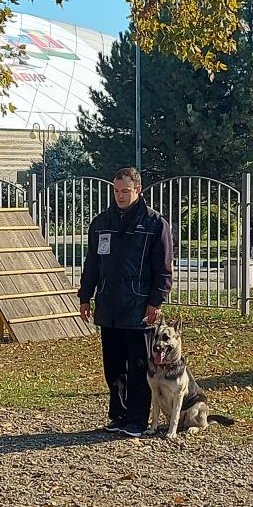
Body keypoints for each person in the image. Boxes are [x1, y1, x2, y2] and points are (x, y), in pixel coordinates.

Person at [78, 168, 174, 438]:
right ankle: (118, 415)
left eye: (125, 190)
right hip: (109, 305)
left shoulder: (155, 223)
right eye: (116, 190)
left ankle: (136, 419)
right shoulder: (101, 223)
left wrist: (156, 301)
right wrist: (85, 296)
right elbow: (92, 264)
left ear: (138, 190)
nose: (120, 195)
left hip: (139, 306)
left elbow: (163, 268)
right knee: (114, 366)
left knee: (138, 365)